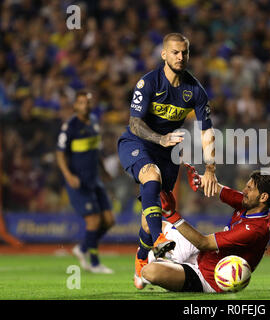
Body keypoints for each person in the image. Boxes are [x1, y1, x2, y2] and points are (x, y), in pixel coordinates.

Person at [117, 33, 219, 288]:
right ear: (164, 54)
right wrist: (159, 139)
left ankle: (141, 261)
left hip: (167, 152)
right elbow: (134, 122)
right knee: (151, 175)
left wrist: (210, 168)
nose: (180, 57)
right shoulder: (148, 83)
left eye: (184, 53)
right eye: (175, 52)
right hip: (137, 142)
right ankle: (159, 241)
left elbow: (206, 130)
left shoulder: (195, 90)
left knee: (152, 211)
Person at [135, 165, 270, 293]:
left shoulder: (255, 229)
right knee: (151, 221)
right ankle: (147, 258)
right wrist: (200, 181)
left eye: (249, 188)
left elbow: (204, 243)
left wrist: (171, 214)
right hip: (202, 254)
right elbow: (219, 189)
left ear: (263, 197)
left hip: (209, 277)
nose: (244, 190)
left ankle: (163, 263)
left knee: (150, 272)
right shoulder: (249, 205)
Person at [56, 90, 115, 274]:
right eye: (81, 103)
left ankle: (82, 248)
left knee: (109, 220)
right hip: (78, 182)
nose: (85, 106)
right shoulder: (70, 127)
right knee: (94, 221)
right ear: (75, 106)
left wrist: (104, 169)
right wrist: (68, 175)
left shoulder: (95, 123)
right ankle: (94, 263)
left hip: (94, 179)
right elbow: (60, 153)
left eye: (88, 102)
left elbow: (94, 150)